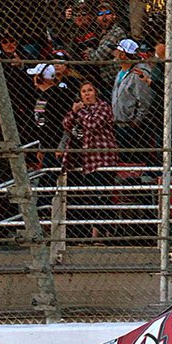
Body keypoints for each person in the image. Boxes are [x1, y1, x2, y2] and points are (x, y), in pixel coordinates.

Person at [61, 80, 118, 241]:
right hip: (84, 160)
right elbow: (66, 124)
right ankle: (97, 231)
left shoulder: (103, 107)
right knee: (90, 196)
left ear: (95, 93)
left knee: (101, 195)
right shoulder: (80, 110)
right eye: (83, 91)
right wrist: (74, 112)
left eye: (89, 90)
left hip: (102, 158)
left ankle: (103, 232)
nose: (86, 94)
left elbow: (93, 123)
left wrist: (79, 113)